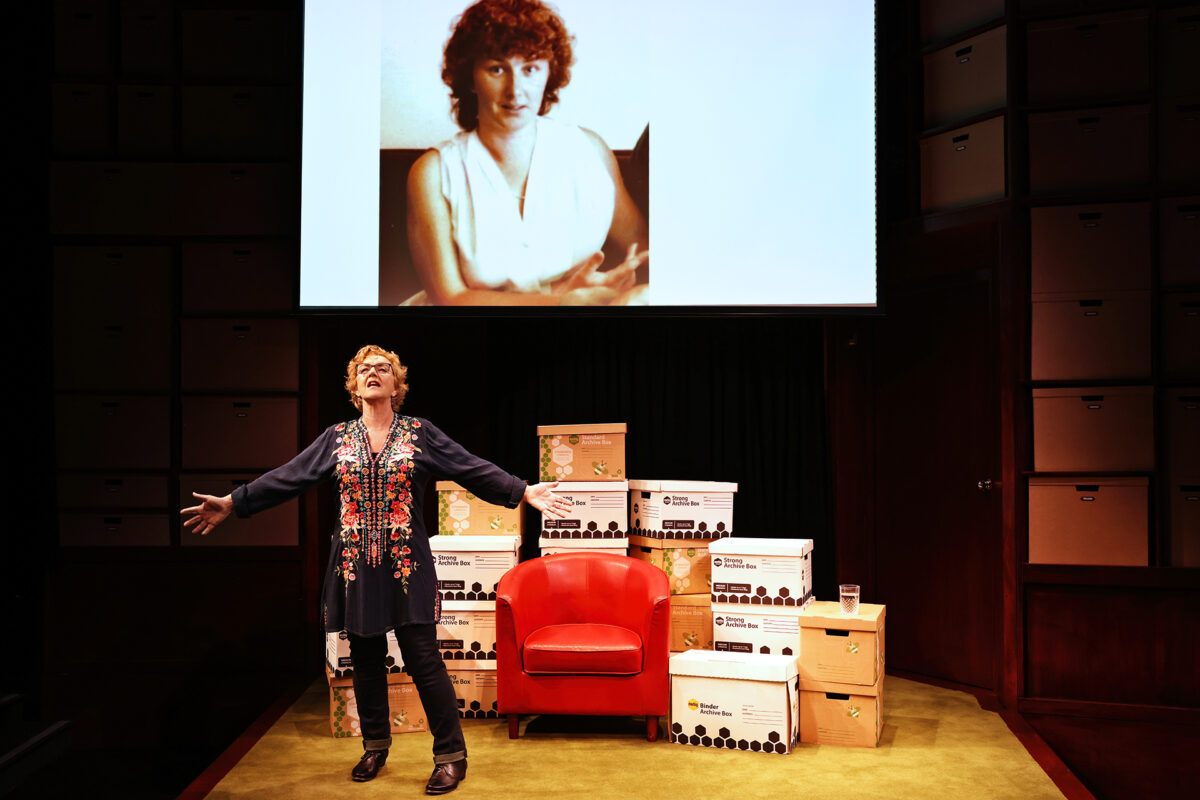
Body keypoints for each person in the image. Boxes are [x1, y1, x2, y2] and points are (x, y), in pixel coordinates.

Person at [180, 345, 572, 794]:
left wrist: (521, 490)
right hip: (355, 566)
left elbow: (469, 466)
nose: (373, 373)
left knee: (424, 659)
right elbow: (289, 476)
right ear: (354, 384)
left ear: (396, 383)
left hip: (407, 564)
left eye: (383, 368)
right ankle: (375, 746)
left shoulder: (419, 433)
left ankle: (451, 756)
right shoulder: (336, 438)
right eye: (364, 369)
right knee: (366, 660)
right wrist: (234, 502)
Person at [405, 0, 649, 306]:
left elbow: (644, 247)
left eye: (530, 68)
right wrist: (563, 303)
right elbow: (450, 298)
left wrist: (645, 291)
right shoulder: (432, 173)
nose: (515, 90)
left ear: (549, 73)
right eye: (497, 69)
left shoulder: (589, 151)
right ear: (470, 78)